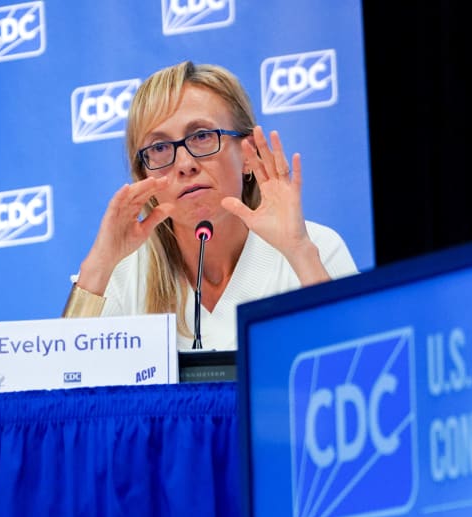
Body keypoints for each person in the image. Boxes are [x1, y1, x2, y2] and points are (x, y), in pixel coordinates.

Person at [61, 61, 358, 350]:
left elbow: (354, 365)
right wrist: (98, 265)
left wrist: (299, 252)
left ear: (248, 154)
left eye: (202, 136)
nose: (185, 164)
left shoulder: (315, 247)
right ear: (144, 175)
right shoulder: (122, 273)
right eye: (160, 147)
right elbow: (64, 374)